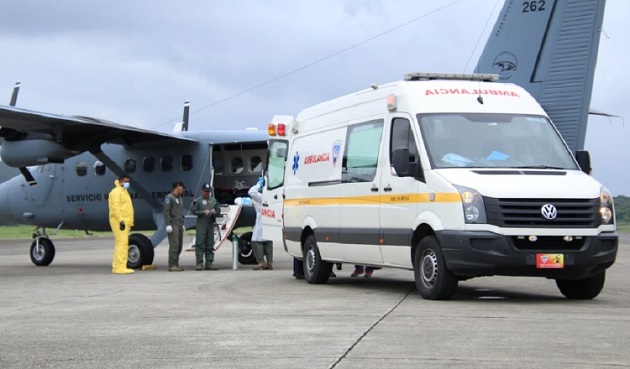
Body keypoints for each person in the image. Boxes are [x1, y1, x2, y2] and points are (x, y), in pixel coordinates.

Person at [108, 174, 135, 274]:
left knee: (122, 243)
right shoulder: (116, 192)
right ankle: (120, 267)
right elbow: (115, 208)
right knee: (122, 244)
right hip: (120, 222)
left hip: (125, 221)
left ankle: (118, 266)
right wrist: (121, 220)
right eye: (126, 181)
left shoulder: (124, 192)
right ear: (121, 181)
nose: (128, 183)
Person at [191, 183, 221, 271]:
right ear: (202, 191)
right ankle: (199, 263)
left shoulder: (213, 201)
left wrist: (216, 211)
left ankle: (209, 262)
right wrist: (203, 212)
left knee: (210, 244)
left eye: (208, 191)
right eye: (205, 191)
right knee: (200, 244)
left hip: (210, 225)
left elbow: (218, 211)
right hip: (201, 224)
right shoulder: (198, 200)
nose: (207, 193)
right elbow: (194, 211)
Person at [248, 177, 273, 270]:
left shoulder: (262, 197)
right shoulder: (271, 196)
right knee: (268, 240)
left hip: (261, 218)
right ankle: (270, 263)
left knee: (256, 240)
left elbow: (251, 192)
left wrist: (258, 184)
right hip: (270, 217)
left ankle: (261, 261)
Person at [164, 181, 186, 272]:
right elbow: (166, 212)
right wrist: (168, 224)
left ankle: (176, 263)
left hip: (179, 224)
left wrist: (182, 224)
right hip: (173, 224)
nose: (183, 189)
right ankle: (172, 264)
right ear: (177, 187)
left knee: (179, 245)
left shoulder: (180, 198)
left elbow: (180, 212)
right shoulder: (169, 198)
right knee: (174, 245)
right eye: (182, 187)